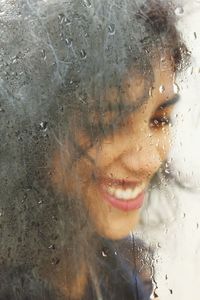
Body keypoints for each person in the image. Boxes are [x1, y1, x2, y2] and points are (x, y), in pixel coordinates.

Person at [0, 0, 187, 299]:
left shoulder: (127, 271)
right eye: (110, 121)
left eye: (159, 119)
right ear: (33, 121)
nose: (149, 160)